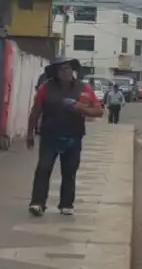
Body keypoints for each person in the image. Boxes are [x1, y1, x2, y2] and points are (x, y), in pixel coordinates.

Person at [27, 57, 102, 216]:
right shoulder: (45, 88)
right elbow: (36, 111)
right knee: (44, 168)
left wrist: (80, 108)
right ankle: (37, 203)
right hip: (50, 134)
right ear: (56, 72)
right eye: (61, 69)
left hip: (73, 136)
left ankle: (66, 204)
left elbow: (99, 111)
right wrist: (30, 133)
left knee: (69, 170)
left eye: (68, 68)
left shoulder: (84, 89)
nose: (66, 72)